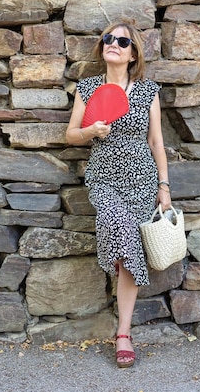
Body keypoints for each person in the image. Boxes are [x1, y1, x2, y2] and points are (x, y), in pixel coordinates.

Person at [66, 22, 171, 368]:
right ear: (102, 47)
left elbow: (156, 142)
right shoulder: (88, 87)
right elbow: (70, 134)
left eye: (122, 41)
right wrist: (90, 131)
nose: (113, 43)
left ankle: (123, 333)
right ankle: (119, 254)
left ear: (133, 53)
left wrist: (164, 187)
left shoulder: (147, 90)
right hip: (105, 178)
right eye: (108, 38)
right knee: (121, 231)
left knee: (127, 251)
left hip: (142, 179)